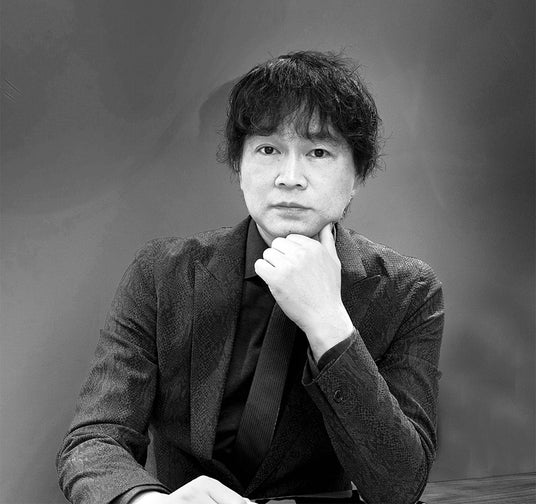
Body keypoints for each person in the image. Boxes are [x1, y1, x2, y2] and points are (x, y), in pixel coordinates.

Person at [56, 51, 444, 504]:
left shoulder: (407, 292)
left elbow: (399, 487)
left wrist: (329, 323)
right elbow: (94, 440)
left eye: (318, 152)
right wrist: (150, 502)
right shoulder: (162, 274)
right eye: (268, 150)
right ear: (239, 166)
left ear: (357, 174)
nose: (290, 177)